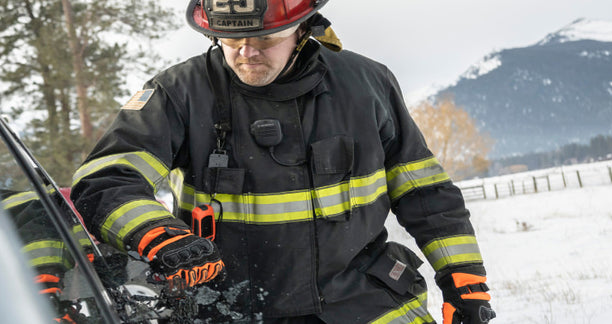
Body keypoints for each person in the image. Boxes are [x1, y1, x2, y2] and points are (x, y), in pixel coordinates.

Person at [69, 1, 495, 323]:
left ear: (304, 29)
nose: (246, 54)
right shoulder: (178, 93)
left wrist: (465, 281)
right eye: (232, 41)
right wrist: (159, 235)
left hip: (367, 305)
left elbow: (426, 193)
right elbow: (106, 180)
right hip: (233, 309)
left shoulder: (367, 84)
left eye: (264, 40)